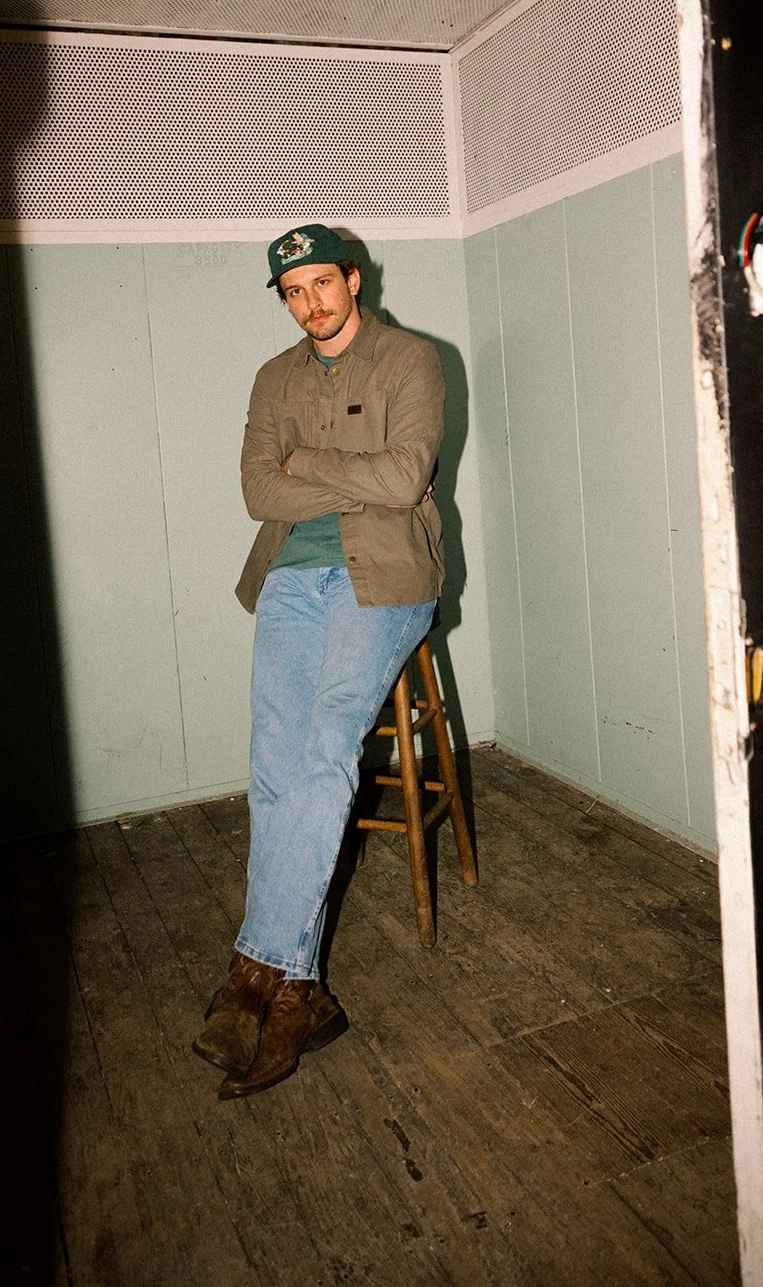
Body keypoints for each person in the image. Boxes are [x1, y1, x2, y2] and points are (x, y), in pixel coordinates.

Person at [193, 224, 446, 1099]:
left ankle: (254, 975)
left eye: (320, 284)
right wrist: (356, 472)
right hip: (289, 582)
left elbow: (407, 476)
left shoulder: (410, 360)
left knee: (323, 751)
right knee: (275, 762)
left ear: (352, 277)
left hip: (383, 581)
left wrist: (312, 461)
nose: (310, 304)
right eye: (292, 292)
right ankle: (302, 988)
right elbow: (259, 493)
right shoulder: (273, 378)